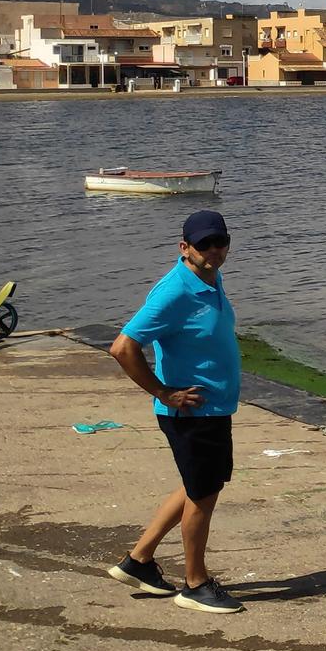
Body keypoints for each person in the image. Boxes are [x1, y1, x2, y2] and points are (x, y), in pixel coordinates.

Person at [106, 209, 246, 613]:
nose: (215, 251)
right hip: (193, 412)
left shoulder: (208, 277)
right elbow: (122, 347)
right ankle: (195, 583)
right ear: (185, 247)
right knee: (203, 494)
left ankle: (139, 561)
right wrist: (163, 392)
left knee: (197, 484)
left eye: (221, 242)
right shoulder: (175, 290)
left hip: (214, 407)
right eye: (205, 245)